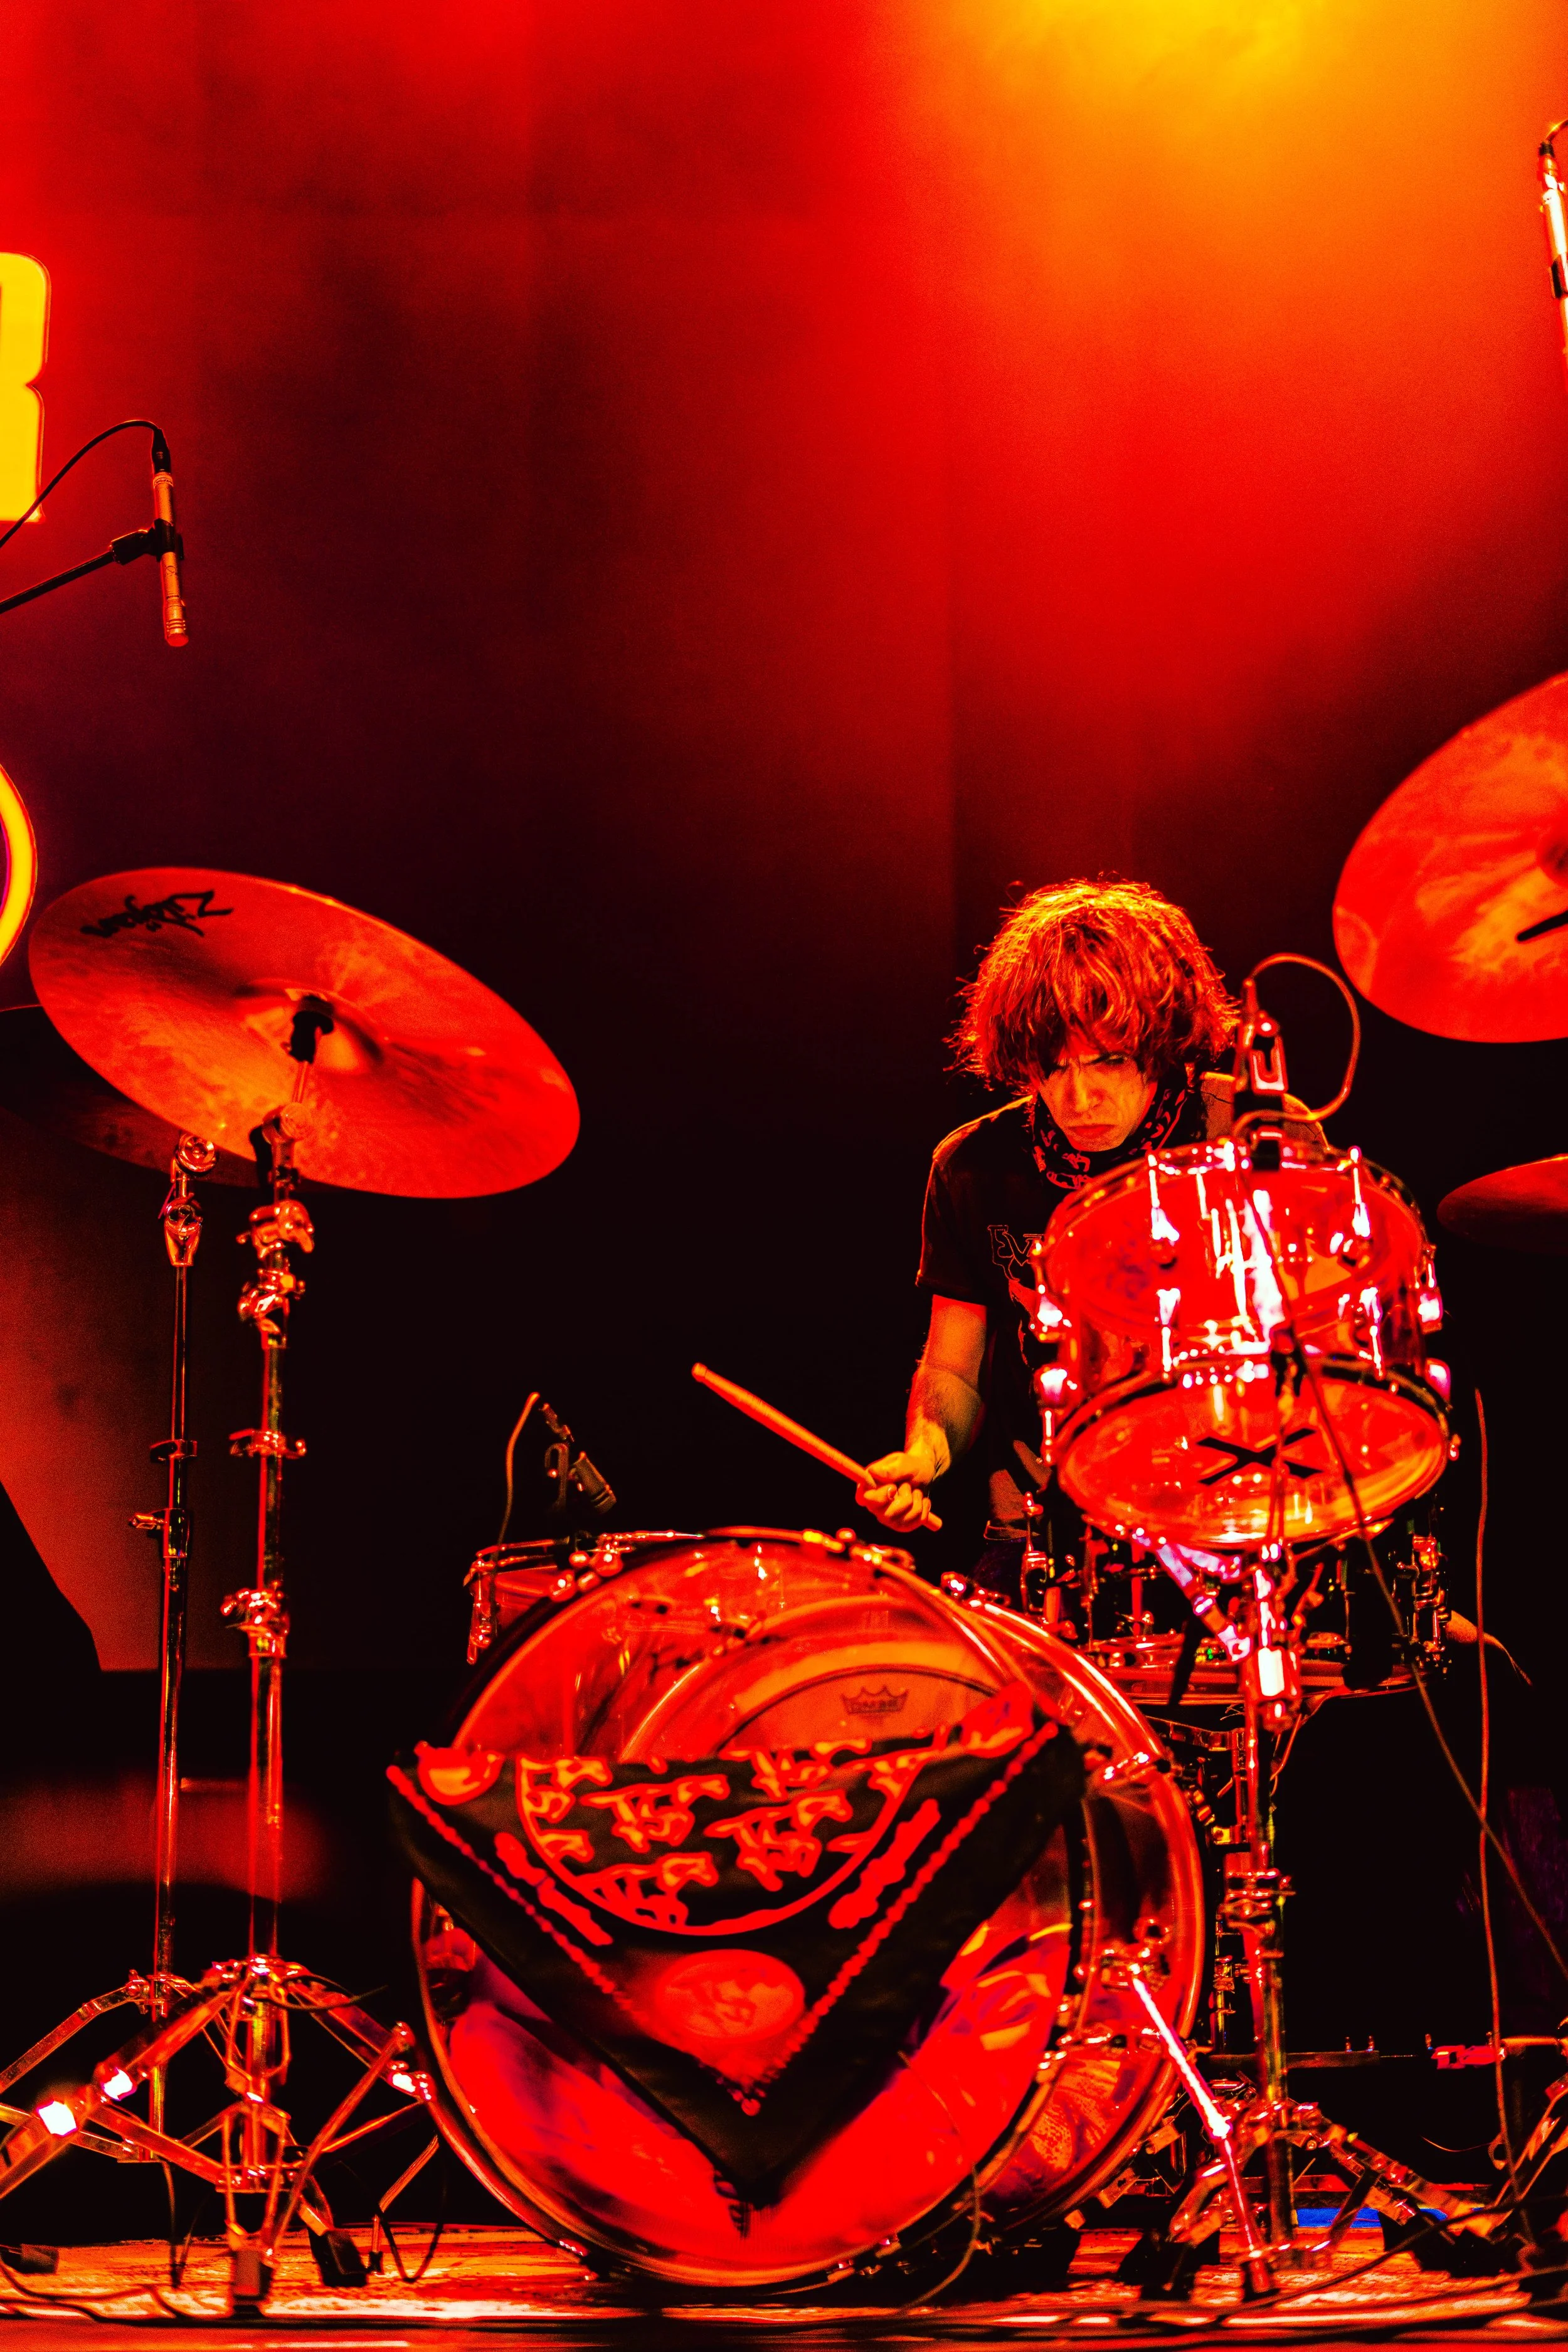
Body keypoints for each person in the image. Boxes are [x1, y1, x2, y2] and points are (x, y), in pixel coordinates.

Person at [859, 876, 1298, 1549]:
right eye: (1054, 1068)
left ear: (1161, 1042)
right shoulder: (970, 1167)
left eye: (1109, 1062)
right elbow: (953, 1367)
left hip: (1234, 1520)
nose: (1080, 1098)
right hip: (1041, 1539)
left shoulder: (1251, 1135)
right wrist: (924, 1456)